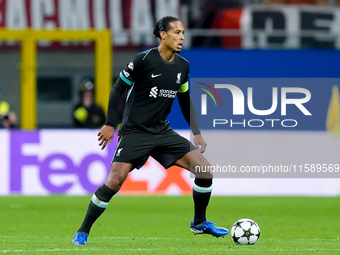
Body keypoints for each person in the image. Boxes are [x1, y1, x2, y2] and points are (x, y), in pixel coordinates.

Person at [72, 16, 229, 245]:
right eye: (176, 32)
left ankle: (199, 223)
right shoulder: (144, 60)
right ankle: (83, 231)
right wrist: (110, 123)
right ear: (163, 34)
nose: (182, 37)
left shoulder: (183, 66)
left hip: (162, 131)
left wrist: (196, 132)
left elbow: (185, 100)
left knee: (204, 170)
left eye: (183, 32)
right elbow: (118, 89)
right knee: (115, 181)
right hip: (135, 131)